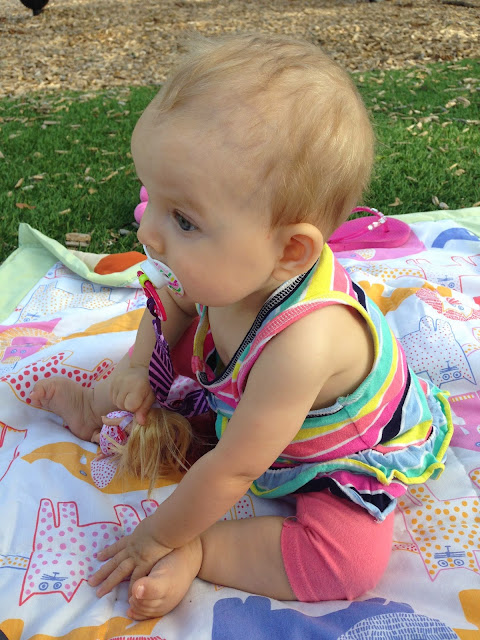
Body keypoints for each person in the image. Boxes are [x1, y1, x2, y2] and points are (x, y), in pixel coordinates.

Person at [29, 33, 453, 621]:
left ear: (290, 251)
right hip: (241, 398)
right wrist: (136, 366)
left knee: (349, 562)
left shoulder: (305, 344)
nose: (148, 233)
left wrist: (160, 536)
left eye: (183, 219)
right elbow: (171, 301)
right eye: (151, 198)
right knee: (169, 332)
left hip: (328, 456)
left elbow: (235, 468)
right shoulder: (232, 270)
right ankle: (96, 404)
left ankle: (207, 550)